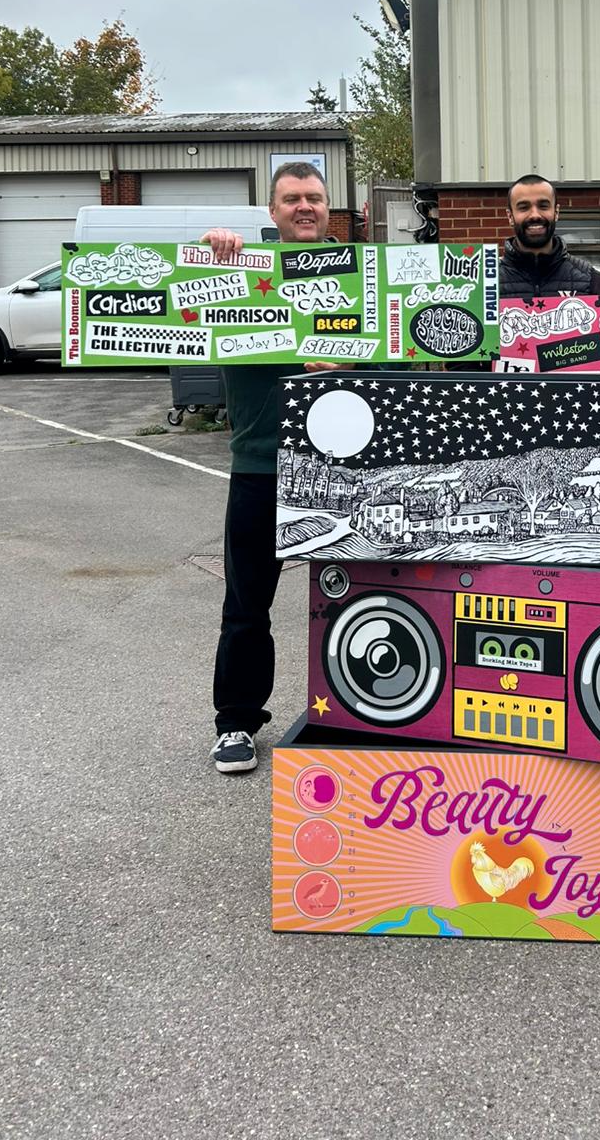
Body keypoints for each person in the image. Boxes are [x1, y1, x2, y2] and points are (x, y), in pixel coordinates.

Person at [204, 162, 344, 774]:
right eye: (292, 199)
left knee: (362, 596)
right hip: (261, 464)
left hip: (349, 466)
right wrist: (211, 254)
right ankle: (236, 722)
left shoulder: (368, 277)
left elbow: (409, 354)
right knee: (247, 603)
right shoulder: (234, 271)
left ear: (329, 206)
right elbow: (172, 296)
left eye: (314, 197)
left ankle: (367, 710)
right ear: (272, 211)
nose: (304, 207)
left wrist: (345, 367)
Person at [500, 174, 600, 297]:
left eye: (543, 206)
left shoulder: (591, 280)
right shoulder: (486, 283)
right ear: (510, 216)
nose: (534, 215)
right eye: (524, 208)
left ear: (556, 212)